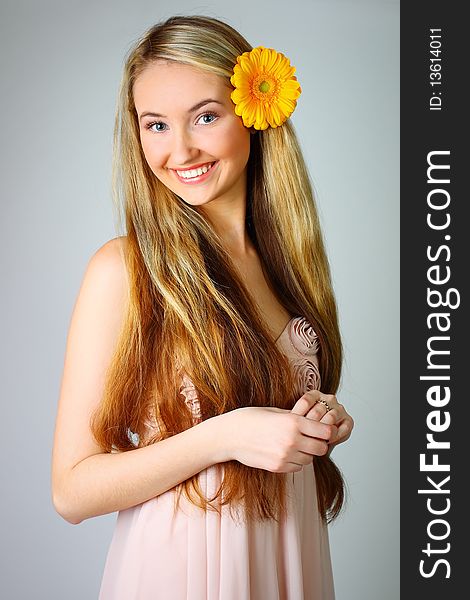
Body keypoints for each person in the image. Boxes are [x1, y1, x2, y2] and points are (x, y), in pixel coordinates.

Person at [51, 14, 354, 600]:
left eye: (206, 117)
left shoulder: (288, 268)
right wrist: (226, 435)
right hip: (183, 574)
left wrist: (318, 422)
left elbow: (269, 421)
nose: (180, 149)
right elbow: (71, 490)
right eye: (156, 125)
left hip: (287, 560)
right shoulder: (125, 271)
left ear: (254, 115)